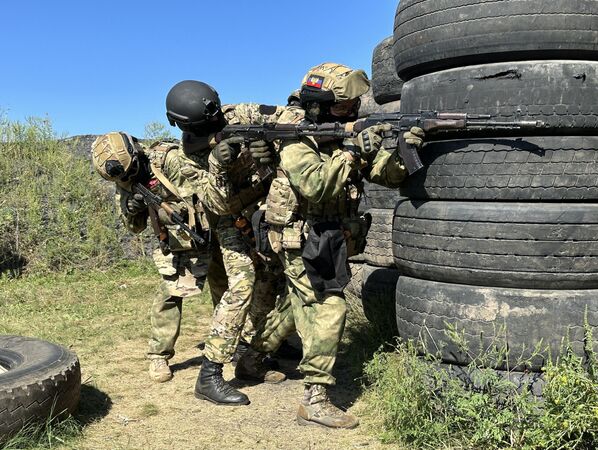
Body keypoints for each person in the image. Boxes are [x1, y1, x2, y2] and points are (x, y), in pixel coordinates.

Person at [239, 62, 408, 428]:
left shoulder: (345, 134)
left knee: (296, 305)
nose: (353, 111)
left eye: (354, 105)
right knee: (331, 307)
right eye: (344, 107)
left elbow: (388, 175)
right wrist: (351, 152)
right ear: (320, 105)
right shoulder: (295, 138)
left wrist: (404, 148)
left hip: (329, 238)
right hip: (298, 237)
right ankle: (315, 398)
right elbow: (315, 185)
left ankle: (252, 359)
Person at [165, 80, 287, 406]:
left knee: (272, 278)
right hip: (228, 220)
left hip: (262, 209)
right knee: (243, 283)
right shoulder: (182, 159)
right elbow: (215, 204)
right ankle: (210, 374)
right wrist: (218, 164)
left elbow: (286, 119)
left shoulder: (240, 114)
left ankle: (249, 355)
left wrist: (271, 151)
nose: (218, 123)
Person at [91, 131, 228, 384]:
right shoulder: (124, 180)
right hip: (181, 242)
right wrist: (134, 207)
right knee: (169, 295)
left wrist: (167, 209)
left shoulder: (169, 160)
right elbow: (133, 227)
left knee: (226, 290)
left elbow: (205, 195)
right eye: (123, 178)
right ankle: (159, 355)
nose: (128, 178)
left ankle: (231, 343)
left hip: (214, 230)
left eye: (131, 172)